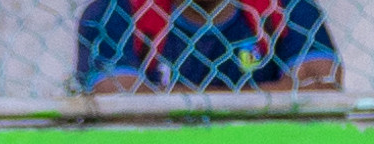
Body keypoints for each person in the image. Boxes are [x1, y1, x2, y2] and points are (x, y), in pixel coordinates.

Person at [76, 0, 342, 94]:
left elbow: (322, 84)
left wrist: (164, 99)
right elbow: (117, 100)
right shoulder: (118, 11)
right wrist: (272, 96)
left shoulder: (282, 7)